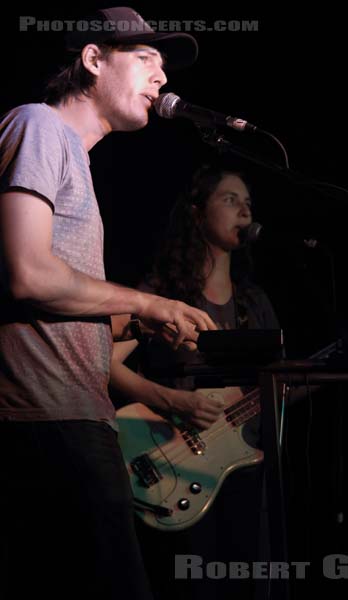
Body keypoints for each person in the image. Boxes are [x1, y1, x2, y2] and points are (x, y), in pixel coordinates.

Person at [0, 7, 217, 600]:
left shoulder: (76, 158)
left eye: (163, 67)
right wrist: (147, 302)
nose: (162, 80)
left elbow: (56, 306)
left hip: (77, 418)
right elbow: (28, 274)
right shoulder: (39, 126)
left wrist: (136, 323)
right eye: (147, 59)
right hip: (49, 423)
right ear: (93, 60)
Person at [110, 164, 281, 600]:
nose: (244, 211)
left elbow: (277, 386)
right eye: (230, 200)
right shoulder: (164, 292)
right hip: (172, 462)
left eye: (248, 203)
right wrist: (168, 399)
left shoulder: (254, 301)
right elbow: (104, 362)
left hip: (244, 468)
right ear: (197, 213)